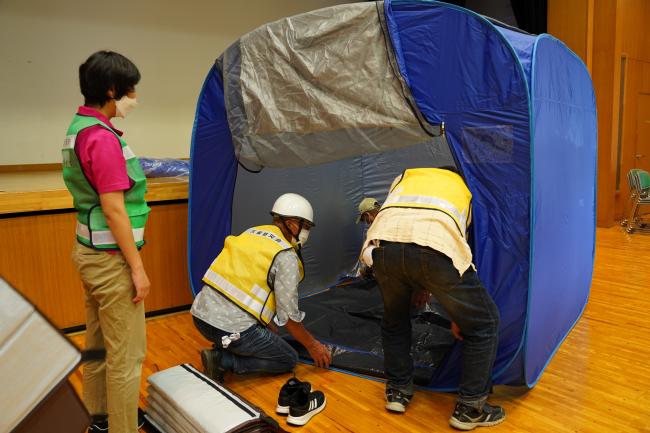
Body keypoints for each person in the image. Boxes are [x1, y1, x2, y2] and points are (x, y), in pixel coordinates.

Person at [360, 167, 505, 430]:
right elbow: (461, 252)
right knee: (485, 323)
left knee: (395, 321)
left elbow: (406, 246)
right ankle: (471, 408)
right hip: (435, 247)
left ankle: (398, 392)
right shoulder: (465, 187)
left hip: (383, 249)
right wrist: (460, 315)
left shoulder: (405, 176)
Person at [63, 51, 150, 433]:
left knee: (98, 344)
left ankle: (98, 417)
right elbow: (115, 210)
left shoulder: (79, 128)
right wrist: (137, 268)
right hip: (111, 262)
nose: (135, 98)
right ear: (113, 90)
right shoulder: (102, 138)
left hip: (88, 254)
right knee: (127, 358)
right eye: (131, 91)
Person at [191, 193, 332, 382]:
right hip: (230, 328)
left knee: (263, 332)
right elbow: (289, 318)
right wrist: (313, 345)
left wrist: (264, 322)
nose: (306, 233)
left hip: (200, 316)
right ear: (291, 224)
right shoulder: (285, 255)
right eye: (305, 226)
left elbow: (244, 282)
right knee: (287, 359)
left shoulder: (251, 233)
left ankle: (225, 346)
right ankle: (223, 360)